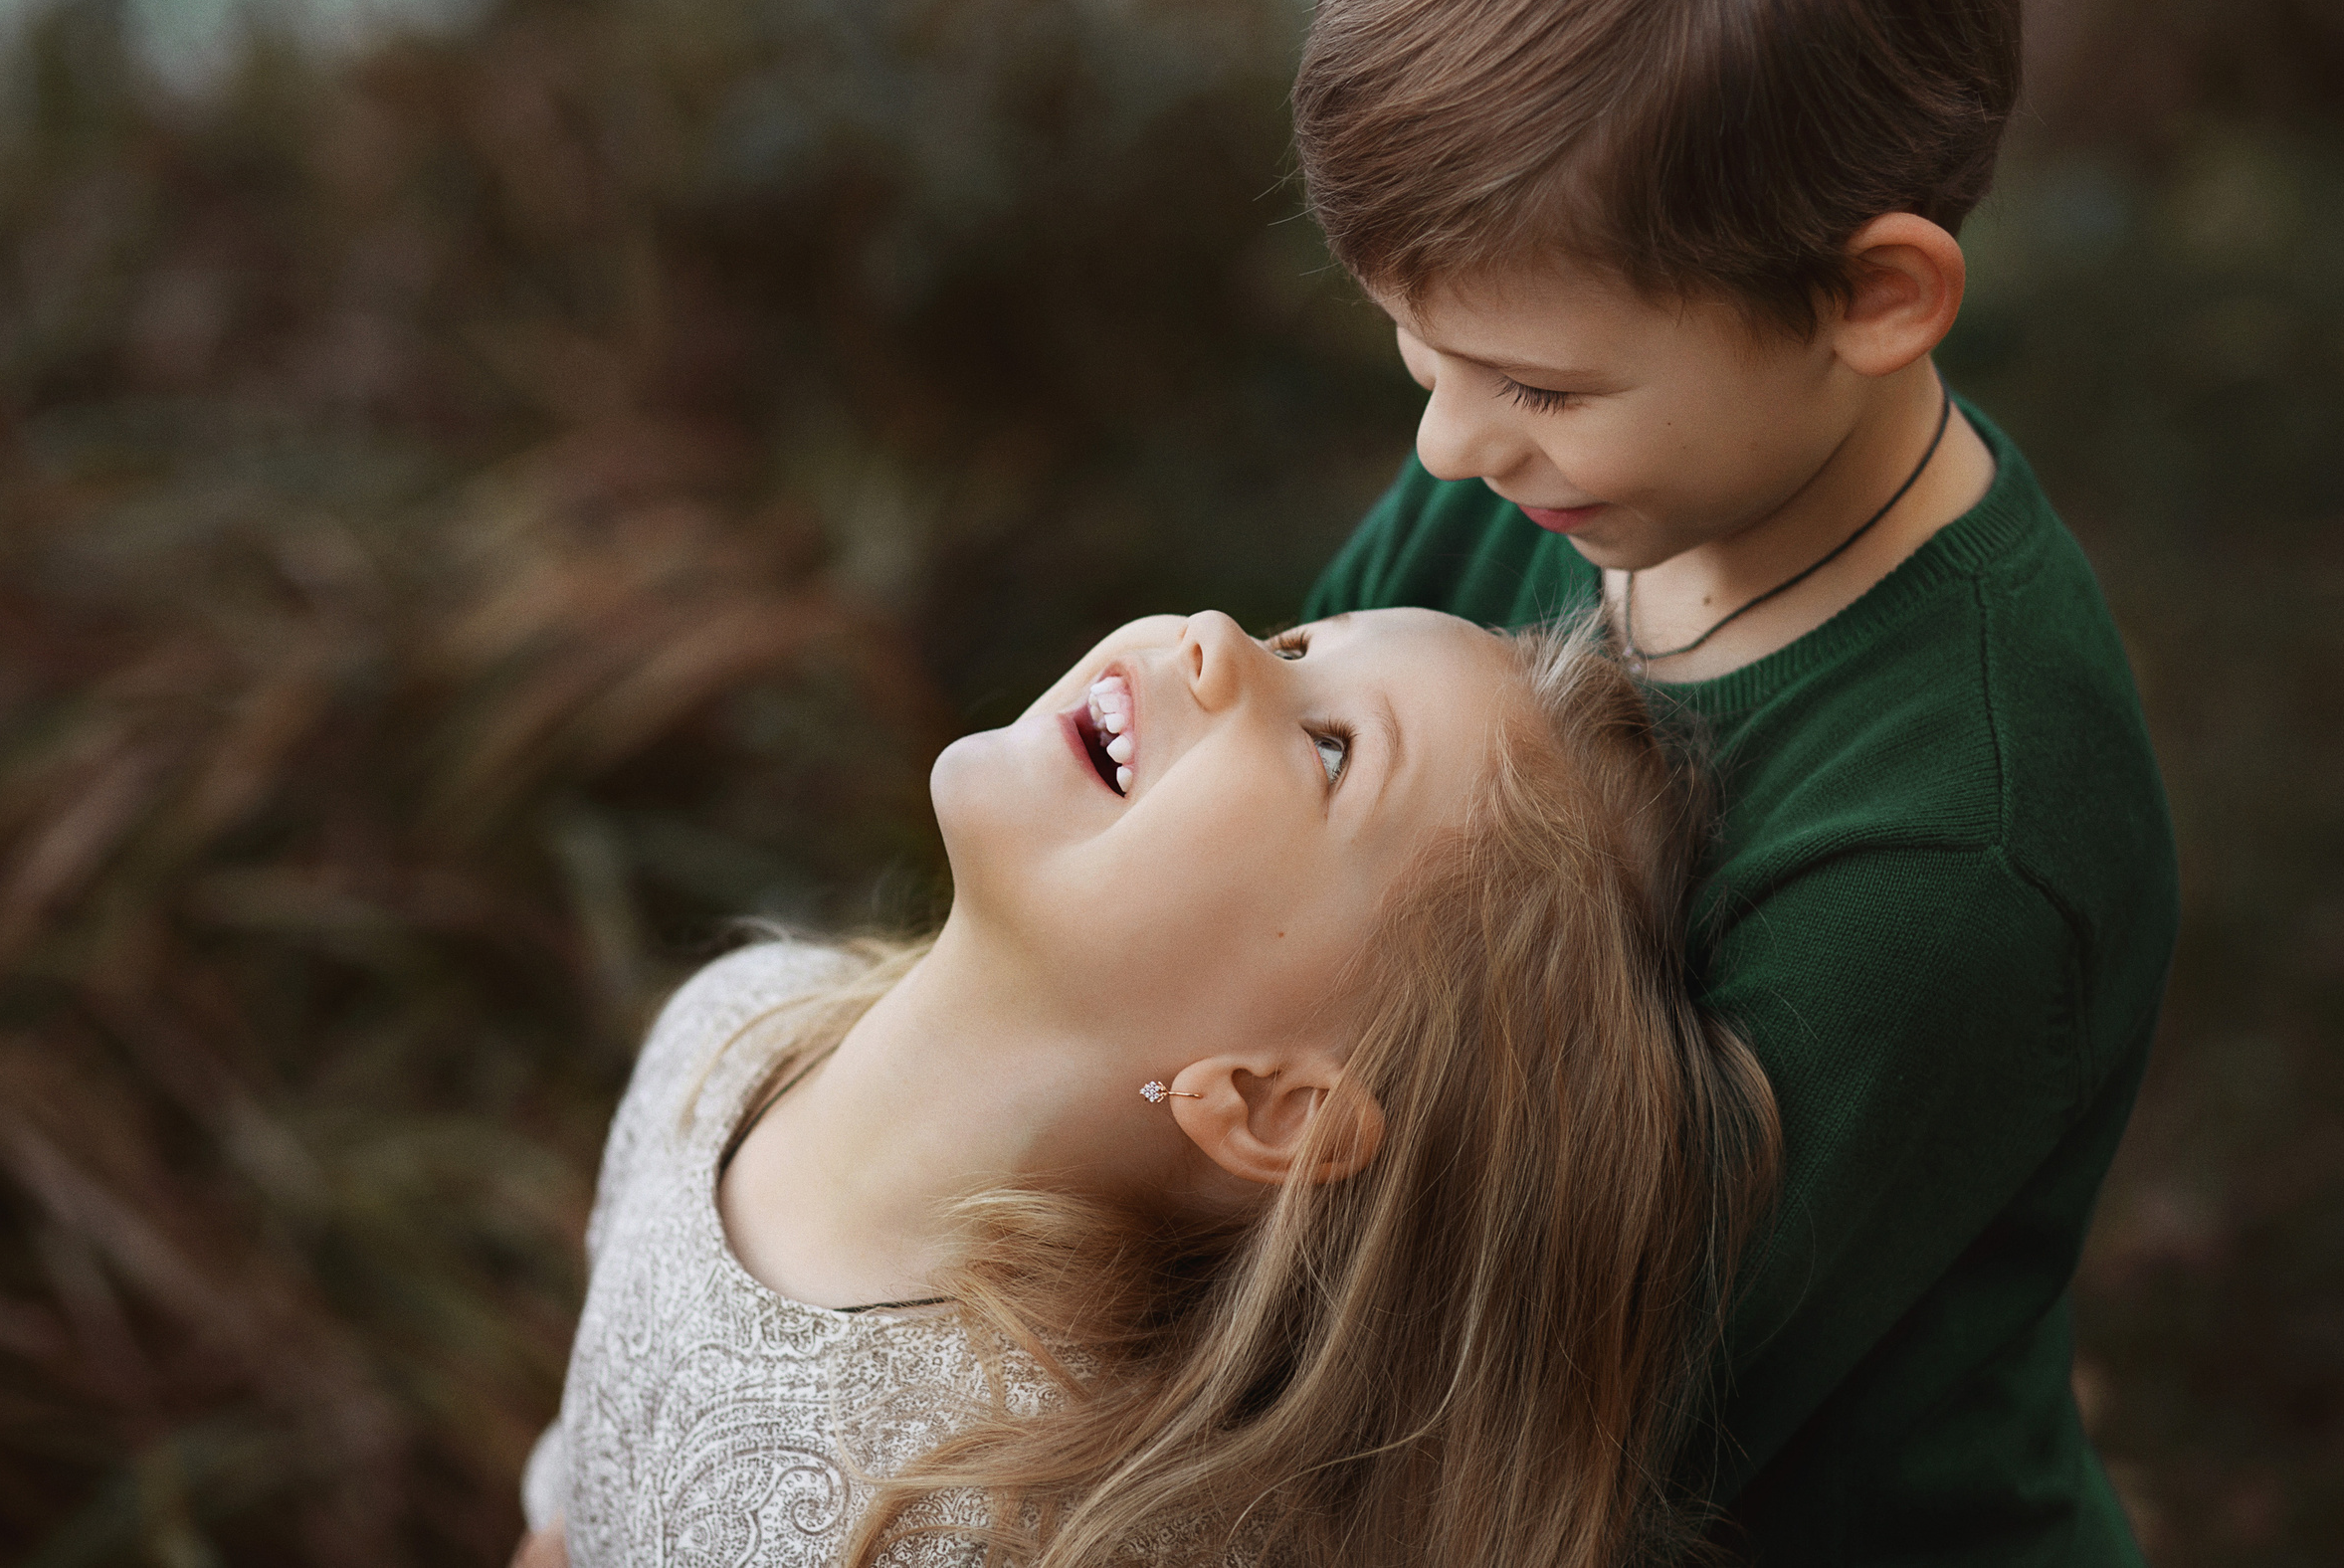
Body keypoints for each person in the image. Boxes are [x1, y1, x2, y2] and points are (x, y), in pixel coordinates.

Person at [1291, 0, 2179, 1563]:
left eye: (1541, 386)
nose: (1448, 452)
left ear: (1871, 299)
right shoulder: (1546, 497)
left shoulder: (1961, 842)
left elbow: (1579, 1393)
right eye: (1418, 355)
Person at [511, 607, 1778, 1568]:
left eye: (1330, 752)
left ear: (1277, 1109)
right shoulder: (734, 1031)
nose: (1221, 639)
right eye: (1292, 638)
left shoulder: (1049, 1521)